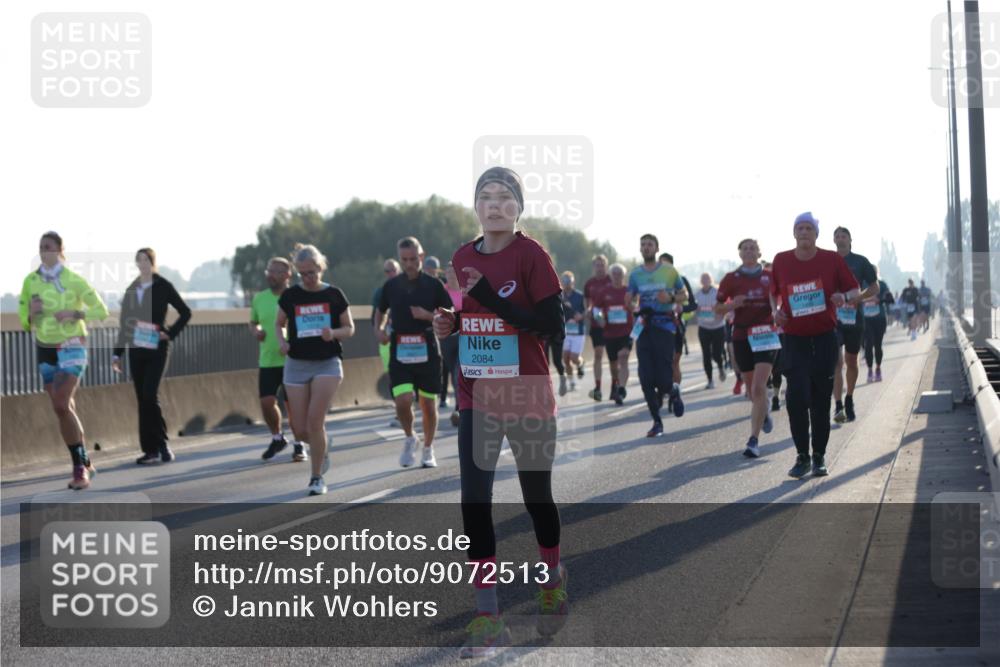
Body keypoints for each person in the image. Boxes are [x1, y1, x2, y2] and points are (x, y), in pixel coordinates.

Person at [433, 167, 567, 657]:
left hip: (528, 393)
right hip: (477, 395)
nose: (494, 204)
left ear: (518, 207)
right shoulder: (461, 257)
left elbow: (550, 325)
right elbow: (460, 311)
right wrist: (450, 323)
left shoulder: (532, 256)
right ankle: (488, 615)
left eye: (504, 197)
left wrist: (490, 298)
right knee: (474, 502)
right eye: (485, 196)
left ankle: (551, 575)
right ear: (475, 207)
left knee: (536, 499)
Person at [771, 212, 860, 478]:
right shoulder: (781, 260)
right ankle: (802, 456)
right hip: (794, 339)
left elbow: (855, 291)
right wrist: (775, 311)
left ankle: (819, 456)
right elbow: (773, 292)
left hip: (824, 338)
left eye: (809, 228)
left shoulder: (831, 260)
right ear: (794, 233)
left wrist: (843, 296)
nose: (804, 232)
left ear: (816, 234)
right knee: (796, 398)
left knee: (820, 399)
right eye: (800, 228)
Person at [19, 231, 109, 489]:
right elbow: (24, 322)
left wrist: (75, 312)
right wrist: (31, 315)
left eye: (48, 246)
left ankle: (79, 469)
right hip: (45, 347)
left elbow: (101, 311)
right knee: (64, 407)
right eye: (40, 247)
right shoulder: (30, 281)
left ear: (60, 250)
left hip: (72, 345)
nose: (43, 250)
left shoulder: (74, 280)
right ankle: (84, 458)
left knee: (60, 404)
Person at [275, 244, 354, 496]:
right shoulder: (290, 296)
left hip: (326, 362)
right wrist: (282, 341)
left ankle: (316, 477)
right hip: (296, 363)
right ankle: (322, 447)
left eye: (311, 272)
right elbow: (279, 324)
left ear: (320, 268)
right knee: (299, 429)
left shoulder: (334, 294)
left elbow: (350, 328)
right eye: (302, 274)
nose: (307, 278)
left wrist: (334, 333)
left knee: (314, 420)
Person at [376, 236, 453, 468]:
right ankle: (410, 437)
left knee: (428, 405)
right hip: (400, 350)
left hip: (427, 349)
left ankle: (428, 449)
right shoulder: (391, 286)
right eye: (404, 259)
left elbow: (450, 313)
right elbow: (380, 311)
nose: (409, 263)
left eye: (413, 259)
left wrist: (427, 315)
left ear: (421, 256)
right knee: (402, 400)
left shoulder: (434, 285)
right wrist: (379, 329)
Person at [112, 248, 191, 464]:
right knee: (142, 399)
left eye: (146, 260)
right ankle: (150, 450)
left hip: (157, 348)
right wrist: (116, 354)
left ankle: (163, 443)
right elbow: (124, 325)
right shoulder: (131, 289)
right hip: (136, 350)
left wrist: (170, 333)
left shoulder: (163, 285)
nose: (143, 264)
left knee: (150, 394)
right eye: (139, 261)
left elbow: (186, 312)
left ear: (153, 263)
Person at [716, 239, 779, 458]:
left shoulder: (771, 276)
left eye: (753, 247)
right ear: (740, 254)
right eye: (745, 248)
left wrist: (778, 311)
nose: (749, 251)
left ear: (760, 252)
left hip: (765, 334)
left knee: (760, 387)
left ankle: (753, 440)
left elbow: (783, 298)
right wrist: (732, 305)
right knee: (752, 389)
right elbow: (717, 308)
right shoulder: (731, 278)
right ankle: (763, 411)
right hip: (741, 335)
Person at [630, 235, 687, 438]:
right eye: (643, 245)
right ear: (640, 249)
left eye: (650, 245)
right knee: (645, 378)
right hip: (644, 327)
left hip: (665, 327)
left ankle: (672, 391)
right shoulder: (635, 274)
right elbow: (630, 299)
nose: (646, 248)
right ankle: (657, 422)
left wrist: (670, 297)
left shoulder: (669, 271)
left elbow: (684, 295)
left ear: (656, 248)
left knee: (663, 380)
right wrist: (632, 305)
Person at [250, 257, 306, 462]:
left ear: (287, 275)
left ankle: (299, 445)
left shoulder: (295, 296)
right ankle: (277, 437)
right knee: (266, 403)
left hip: (292, 360)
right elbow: (253, 321)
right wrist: (255, 331)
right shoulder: (259, 298)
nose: (270, 275)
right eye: (269, 270)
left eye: (276, 271)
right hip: (268, 359)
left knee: (294, 408)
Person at [831, 227, 879, 424]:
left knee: (851, 361)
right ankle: (838, 404)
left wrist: (859, 298)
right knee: (836, 362)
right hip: (833, 319)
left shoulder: (860, 261)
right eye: (837, 236)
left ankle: (849, 397)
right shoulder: (827, 260)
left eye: (844, 236)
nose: (840, 239)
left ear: (850, 240)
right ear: (833, 240)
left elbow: (874, 287)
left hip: (854, 317)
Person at [659, 253, 697, 402]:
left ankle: (675, 393)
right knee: (661, 362)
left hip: (676, 325)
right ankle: (661, 389)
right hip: (657, 328)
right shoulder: (653, 283)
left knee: (674, 362)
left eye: (667, 266)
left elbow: (693, 304)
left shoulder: (681, 281)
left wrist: (681, 309)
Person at [597, 263, 633, 405]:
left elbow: (637, 307)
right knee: (613, 364)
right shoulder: (604, 291)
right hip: (610, 333)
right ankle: (616, 384)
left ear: (624, 276)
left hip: (626, 332)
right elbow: (596, 309)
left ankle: (622, 389)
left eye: (620, 274)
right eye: (615, 274)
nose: (617, 276)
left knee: (623, 357)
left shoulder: (629, 291)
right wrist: (600, 319)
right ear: (610, 276)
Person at [373, 260, 401, 428]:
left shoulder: (409, 287)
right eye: (387, 271)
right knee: (393, 375)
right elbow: (376, 315)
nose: (390, 273)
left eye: (392, 270)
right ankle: (400, 410)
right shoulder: (381, 292)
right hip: (387, 340)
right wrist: (379, 331)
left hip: (408, 340)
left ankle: (407, 406)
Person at [583, 255, 612, 401]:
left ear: (606, 266)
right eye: (597, 265)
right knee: (599, 354)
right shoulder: (589, 284)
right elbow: (588, 302)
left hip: (613, 324)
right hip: (597, 324)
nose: (600, 267)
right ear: (593, 266)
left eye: (602, 265)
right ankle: (598, 387)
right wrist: (588, 311)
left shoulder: (612, 280)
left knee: (615, 357)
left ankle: (616, 385)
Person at [694, 272, 726, 389]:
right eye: (703, 279)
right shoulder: (697, 294)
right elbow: (694, 309)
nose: (705, 281)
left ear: (711, 280)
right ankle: (710, 380)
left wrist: (720, 313)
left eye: (707, 278)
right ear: (701, 281)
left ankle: (721, 366)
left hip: (718, 327)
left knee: (716, 354)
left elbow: (724, 307)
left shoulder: (717, 293)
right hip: (704, 328)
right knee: (706, 355)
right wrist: (697, 310)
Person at [440, 262, 463, 427]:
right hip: (447, 337)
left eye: (453, 272)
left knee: (458, 372)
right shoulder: (442, 291)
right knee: (451, 370)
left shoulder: (465, 290)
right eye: (447, 273)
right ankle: (460, 405)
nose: (450, 275)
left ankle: (460, 407)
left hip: (464, 335)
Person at [559, 271, 586, 395]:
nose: (566, 283)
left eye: (568, 281)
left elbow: (587, 311)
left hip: (578, 332)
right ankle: (572, 382)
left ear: (573, 282)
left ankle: (580, 363)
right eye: (564, 281)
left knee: (574, 358)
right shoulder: (560, 296)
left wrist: (581, 316)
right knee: (565, 358)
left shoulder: (580, 296)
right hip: (566, 332)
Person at [862, 274, 892, 383]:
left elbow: (890, 299)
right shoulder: (862, 284)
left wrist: (879, 299)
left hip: (879, 319)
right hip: (866, 319)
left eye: (873, 272)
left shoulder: (882, 284)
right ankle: (870, 370)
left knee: (878, 345)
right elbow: (855, 298)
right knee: (868, 344)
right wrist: (864, 300)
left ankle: (878, 368)